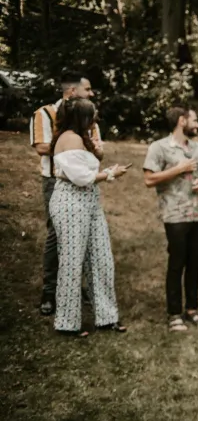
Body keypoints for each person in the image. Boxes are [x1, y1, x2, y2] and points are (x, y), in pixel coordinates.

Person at [49, 98, 130, 337]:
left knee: (102, 258)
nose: (95, 118)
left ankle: (107, 317)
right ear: (81, 117)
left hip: (90, 202)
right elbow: (81, 178)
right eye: (92, 114)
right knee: (72, 262)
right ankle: (67, 323)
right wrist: (111, 174)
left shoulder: (81, 137)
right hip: (70, 203)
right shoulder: (70, 138)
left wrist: (98, 152)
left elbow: (89, 168)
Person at [30, 71, 99, 316]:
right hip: (56, 182)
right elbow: (41, 147)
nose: (91, 93)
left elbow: (96, 147)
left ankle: (76, 287)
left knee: (83, 235)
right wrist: (73, 146)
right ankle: (49, 292)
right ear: (72, 91)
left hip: (86, 182)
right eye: (87, 89)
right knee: (57, 235)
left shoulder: (89, 116)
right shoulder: (45, 114)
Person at [143, 107, 198, 331]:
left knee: (194, 263)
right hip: (174, 214)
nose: (197, 125)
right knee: (177, 262)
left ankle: (192, 309)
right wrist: (178, 169)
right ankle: (174, 314)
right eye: (194, 120)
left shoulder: (197, 148)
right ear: (182, 121)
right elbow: (149, 179)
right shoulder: (159, 147)